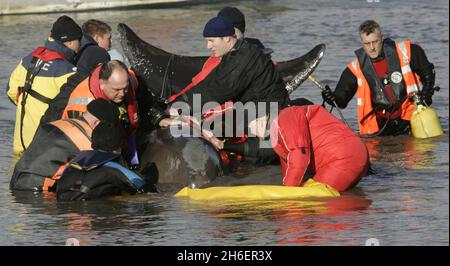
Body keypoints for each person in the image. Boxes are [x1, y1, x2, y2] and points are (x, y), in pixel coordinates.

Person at [321, 20, 437, 136]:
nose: (372, 48)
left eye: (375, 42)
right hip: (380, 125)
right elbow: (341, 100)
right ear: (362, 43)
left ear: (382, 38)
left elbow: (428, 73)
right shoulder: (355, 69)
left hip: (411, 117)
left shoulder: (407, 51)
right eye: (367, 44)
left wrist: (426, 93)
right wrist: (331, 98)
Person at [6, 15, 82, 155]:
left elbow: (11, 91)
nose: (80, 45)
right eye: (79, 40)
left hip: (20, 145)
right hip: (44, 149)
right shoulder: (67, 71)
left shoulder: (27, 60)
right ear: (70, 42)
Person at [10, 98, 120, 192]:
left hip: (16, 179)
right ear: (97, 123)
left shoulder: (58, 123)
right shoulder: (86, 139)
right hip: (38, 187)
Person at [266, 105, 369, 192]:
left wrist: (287, 191)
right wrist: (288, 184)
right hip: (357, 154)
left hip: (341, 159)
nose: (252, 131)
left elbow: (299, 155)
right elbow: (290, 167)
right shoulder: (279, 132)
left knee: (314, 206)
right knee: (348, 200)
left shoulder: (285, 118)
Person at [56, 121, 157, 201]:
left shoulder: (78, 159)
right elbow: (141, 186)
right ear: (118, 148)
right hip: (85, 205)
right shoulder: (112, 166)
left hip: (62, 201)